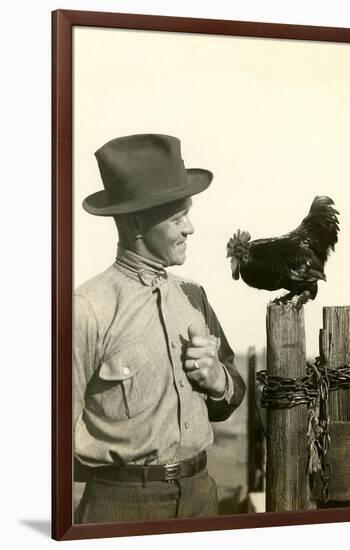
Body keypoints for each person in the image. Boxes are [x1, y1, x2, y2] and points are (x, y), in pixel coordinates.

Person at [74, 134, 246, 523]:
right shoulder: (86, 309)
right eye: (176, 218)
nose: (190, 228)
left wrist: (219, 380)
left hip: (202, 497)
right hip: (119, 507)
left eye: (187, 213)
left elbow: (232, 393)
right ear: (136, 222)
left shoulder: (193, 296)